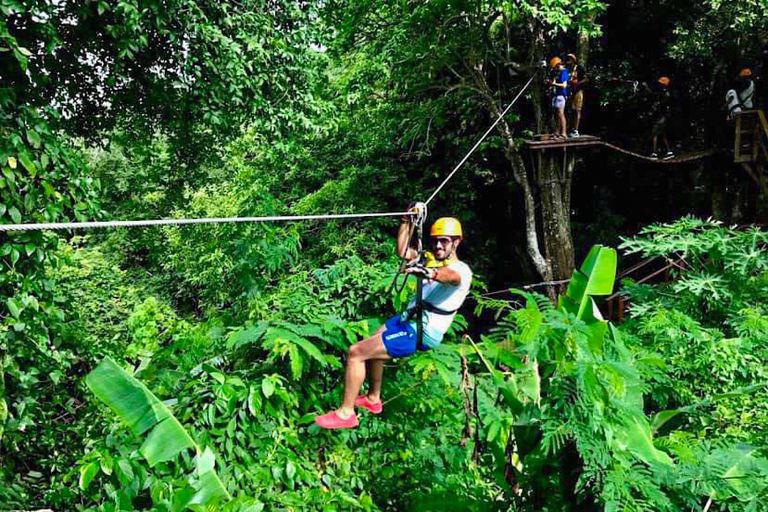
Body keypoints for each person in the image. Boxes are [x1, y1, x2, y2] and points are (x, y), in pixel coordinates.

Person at [314, 210, 473, 430]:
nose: (437, 246)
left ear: (456, 242)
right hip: (409, 319)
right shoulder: (430, 259)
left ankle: (346, 413)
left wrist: (427, 272)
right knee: (374, 339)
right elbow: (403, 251)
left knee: (356, 352)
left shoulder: (461, 271)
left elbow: (448, 277)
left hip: (421, 331)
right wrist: (406, 220)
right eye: (435, 241)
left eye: (443, 242)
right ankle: (373, 398)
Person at [645, 76, 675, 160]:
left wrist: (646, 87)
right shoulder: (665, 92)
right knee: (662, 134)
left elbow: (652, 95)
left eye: (661, 83)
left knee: (654, 133)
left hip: (662, 117)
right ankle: (669, 152)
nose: (659, 85)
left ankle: (654, 154)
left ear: (664, 84)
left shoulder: (664, 92)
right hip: (663, 116)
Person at [565, 53, 588, 138]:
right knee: (569, 110)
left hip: (578, 91)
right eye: (568, 59)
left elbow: (586, 78)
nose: (568, 61)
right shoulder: (567, 69)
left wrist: (577, 83)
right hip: (569, 92)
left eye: (570, 59)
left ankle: (576, 130)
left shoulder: (579, 68)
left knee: (577, 110)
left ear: (574, 60)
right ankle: (568, 128)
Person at [548, 56, 570, 139]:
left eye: (556, 67)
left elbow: (564, 85)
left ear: (558, 65)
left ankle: (564, 133)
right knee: (558, 115)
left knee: (561, 114)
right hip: (557, 95)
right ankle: (557, 132)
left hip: (561, 95)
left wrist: (554, 84)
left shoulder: (564, 72)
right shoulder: (559, 73)